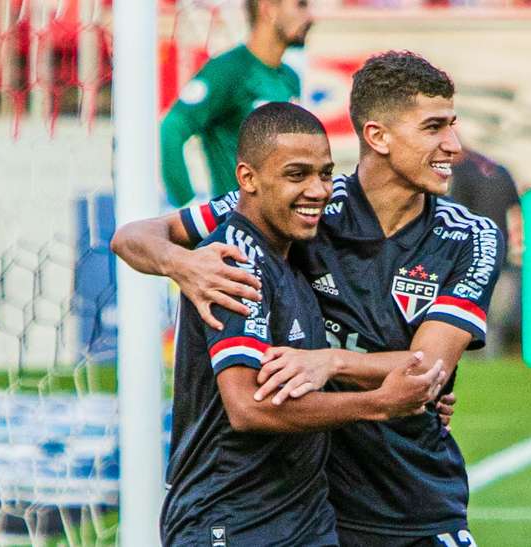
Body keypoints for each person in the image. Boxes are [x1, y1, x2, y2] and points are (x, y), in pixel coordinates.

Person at [112, 52, 505, 545]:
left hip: (412, 498)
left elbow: (428, 369)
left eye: (452, 125)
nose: (454, 145)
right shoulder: (301, 204)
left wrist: (329, 362)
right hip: (316, 506)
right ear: (378, 136)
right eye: (434, 128)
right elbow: (135, 236)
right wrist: (184, 265)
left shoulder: (470, 237)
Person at [155, 102, 446, 546]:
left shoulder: (292, 258)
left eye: (325, 174)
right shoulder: (235, 261)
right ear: (248, 179)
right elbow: (248, 406)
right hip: (230, 519)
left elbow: (298, 378)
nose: (318, 190)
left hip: (304, 517)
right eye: (297, 175)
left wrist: (408, 396)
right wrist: (380, 403)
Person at [160, 0, 313, 207]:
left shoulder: (290, 78)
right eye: (301, 5)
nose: (310, 16)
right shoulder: (227, 71)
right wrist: (186, 206)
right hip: (238, 227)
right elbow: (172, 128)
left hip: (280, 226)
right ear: (268, 9)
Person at [450, 147, 523, 354]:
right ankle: (490, 355)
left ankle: (482, 356)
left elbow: (457, 212)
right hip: (501, 255)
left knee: (475, 314)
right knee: (495, 318)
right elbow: (515, 211)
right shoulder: (501, 171)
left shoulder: (463, 173)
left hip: (475, 255)